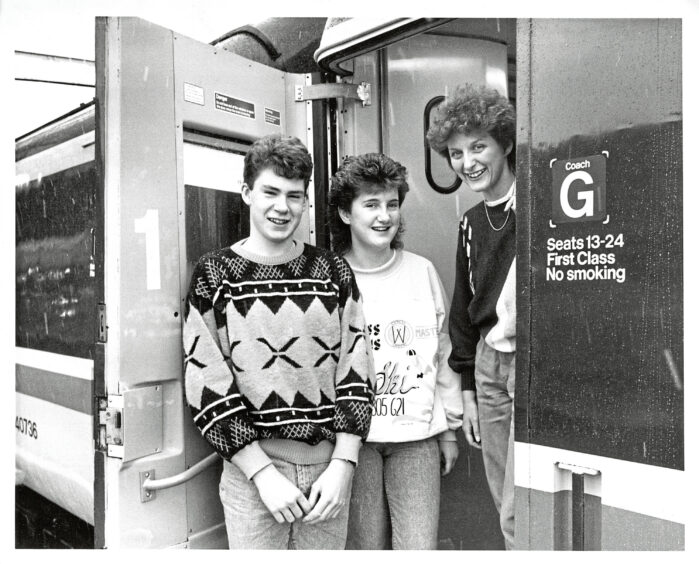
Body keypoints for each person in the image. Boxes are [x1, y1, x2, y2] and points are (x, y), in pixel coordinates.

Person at [182, 134, 375, 550]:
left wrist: (343, 463)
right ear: (247, 192)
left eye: (295, 196)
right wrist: (262, 474)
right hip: (253, 479)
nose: (282, 207)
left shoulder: (332, 271)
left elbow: (358, 370)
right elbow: (206, 383)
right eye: (270, 192)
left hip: (329, 477)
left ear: (305, 202)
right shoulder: (215, 275)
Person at [328, 153, 463, 550]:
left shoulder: (421, 271)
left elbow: (442, 351)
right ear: (345, 213)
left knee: (419, 549)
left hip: (417, 439)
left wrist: (449, 431)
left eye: (391, 204)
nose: (384, 216)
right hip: (355, 442)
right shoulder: (331, 278)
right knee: (365, 548)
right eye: (370, 205)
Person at [427, 83, 516, 549]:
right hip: (486, 366)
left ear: (505, 142)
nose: (468, 162)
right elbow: (463, 311)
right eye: (457, 153)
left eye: (478, 146)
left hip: (527, 360)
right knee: (505, 501)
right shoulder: (470, 222)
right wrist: (468, 390)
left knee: (524, 505)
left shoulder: (535, 205)